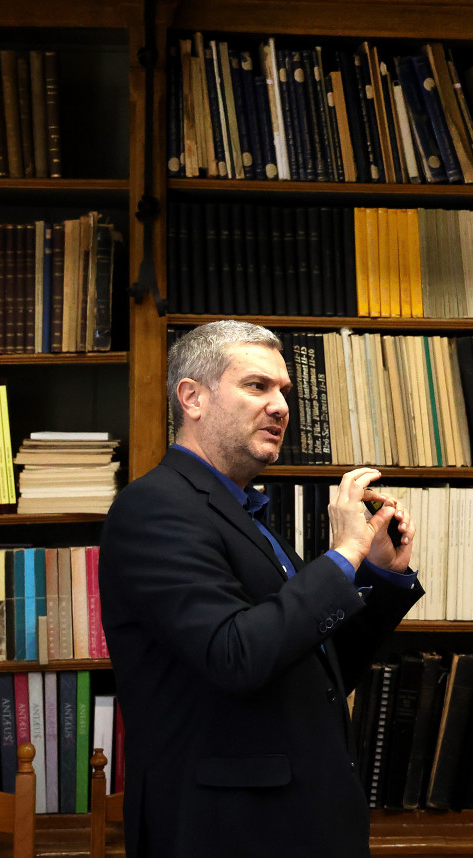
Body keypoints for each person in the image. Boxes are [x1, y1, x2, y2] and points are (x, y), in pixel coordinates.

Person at [99, 320, 423, 858]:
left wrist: (378, 574)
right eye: (257, 386)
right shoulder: (153, 507)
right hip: (227, 833)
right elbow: (235, 655)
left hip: (303, 822)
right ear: (192, 398)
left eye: (284, 391)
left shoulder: (243, 512)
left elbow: (317, 669)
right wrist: (344, 553)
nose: (280, 407)